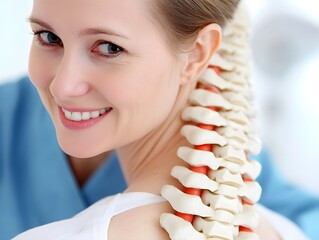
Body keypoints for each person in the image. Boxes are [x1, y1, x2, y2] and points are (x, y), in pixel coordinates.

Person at [0, 0, 313, 239]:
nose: (62, 87)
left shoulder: (232, 164)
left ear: (197, 54)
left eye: (109, 48)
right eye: (48, 37)